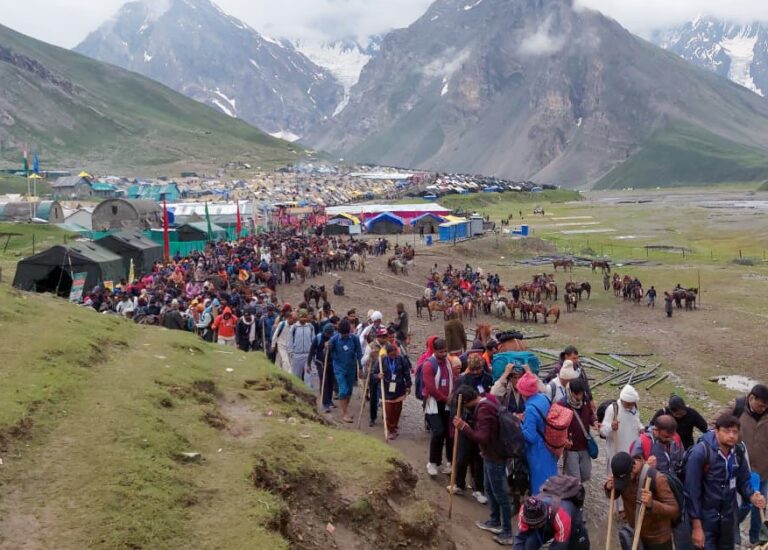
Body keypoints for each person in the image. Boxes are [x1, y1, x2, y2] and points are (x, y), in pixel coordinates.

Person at [685, 414, 767, 549]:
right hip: (706, 521)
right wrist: (696, 526)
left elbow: (743, 480)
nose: (731, 436)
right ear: (717, 431)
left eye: (735, 432)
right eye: (727, 431)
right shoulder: (700, 452)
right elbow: (691, 492)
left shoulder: (738, 452)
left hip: (728, 520)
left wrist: (752, 496)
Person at [451, 386, 514, 546]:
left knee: (500, 493)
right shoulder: (488, 398)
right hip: (489, 454)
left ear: (466, 402)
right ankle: (494, 520)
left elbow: (482, 437)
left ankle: (507, 531)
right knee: (489, 488)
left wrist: (464, 427)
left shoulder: (483, 410)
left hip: (495, 456)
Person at [716, 383, 768, 545]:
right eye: (760, 405)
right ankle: (730, 528)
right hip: (741, 469)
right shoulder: (737, 407)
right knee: (745, 504)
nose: (763, 409)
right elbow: (715, 425)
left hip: (764, 470)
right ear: (751, 398)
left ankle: (756, 540)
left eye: (766, 406)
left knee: (760, 505)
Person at [606, 452, 680, 550]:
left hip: (658, 538)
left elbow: (674, 510)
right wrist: (608, 488)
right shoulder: (621, 473)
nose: (624, 483)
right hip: (635, 533)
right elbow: (613, 495)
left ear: (633, 468)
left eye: (625, 479)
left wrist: (652, 504)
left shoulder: (657, 479)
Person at [451, 354, 492, 504]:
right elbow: (456, 402)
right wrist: (456, 419)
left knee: (479, 458)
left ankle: (478, 488)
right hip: (465, 422)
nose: (476, 372)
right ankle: (459, 484)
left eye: (479, 369)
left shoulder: (487, 378)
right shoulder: (462, 380)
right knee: (461, 457)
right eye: (473, 369)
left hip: (481, 423)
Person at [423, 338, 456, 476]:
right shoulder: (428, 365)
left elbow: (453, 379)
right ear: (434, 351)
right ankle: (433, 462)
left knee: (449, 433)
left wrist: (452, 395)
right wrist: (444, 398)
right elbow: (430, 387)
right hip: (433, 403)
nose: (444, 354)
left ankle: (450, 461)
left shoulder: (448, 362)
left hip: (447, 402)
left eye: (445, 351)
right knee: (438, 432)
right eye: (441, 352)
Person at [520, 371, 557, 495]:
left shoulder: (530, 409)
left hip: (537, 451)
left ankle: (541, 510)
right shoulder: (544, 398)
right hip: (550, 445)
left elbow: (530, 437)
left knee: (540, 486)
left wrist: (519, 424)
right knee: (552, 480)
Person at [514, 492, 589, 549]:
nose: (533, 527)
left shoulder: (561, 516)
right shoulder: (524, 512)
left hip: (572, 525)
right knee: (529, 545)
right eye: (531, 525)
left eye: (536, 525)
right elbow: (520, 538)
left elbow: (560, 545)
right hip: (548, 522)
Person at [372, 343, 411, 440]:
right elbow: (373, 373)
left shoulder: (401, 360)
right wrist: (378, 376)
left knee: (397, 410)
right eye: (392, 355)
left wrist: (408, 385)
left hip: (399, 389)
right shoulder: (381, 361)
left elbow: (406, 373)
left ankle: (394, 426)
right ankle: (391, 429)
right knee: (388, 411)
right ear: (387, 354)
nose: (394, 356)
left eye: (395, 354)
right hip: (386, 389)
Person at [600, 385, 644, 469]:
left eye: (632, 404)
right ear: (623, 400)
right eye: (628, 404)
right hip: (616, 452)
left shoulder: (634, 408)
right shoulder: (612, 409)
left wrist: (641, 428)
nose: (631, 406)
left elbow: (636, 421)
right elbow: (602, 431)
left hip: (631, 452)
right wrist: (611, 427)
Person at [562, 379, 598, 485]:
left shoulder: (585, 400)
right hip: (571, 448)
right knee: (575, 480)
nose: (579, 397)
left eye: (581, 394)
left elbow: (591, 414)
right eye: (576, 394)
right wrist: (563, 439)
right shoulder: (563, 404)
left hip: (584, 445)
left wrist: (595, 421)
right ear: (571, 392)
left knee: (586, 475)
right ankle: (575, 497)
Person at [328, 319, 363, 423]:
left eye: (347, 334)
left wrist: (360, 368)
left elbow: (359, 353)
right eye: (343, 334)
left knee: (349, 391)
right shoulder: (334, 339)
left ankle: (345, 409)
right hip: (339, 367)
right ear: (339, 332)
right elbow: (327, 352)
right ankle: (344, 413)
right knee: (343, 389)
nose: (345, 336)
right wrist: (328, 348)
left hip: (351, 368)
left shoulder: (355, 339)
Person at [308, 323, 335, 407]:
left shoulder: (333, 338)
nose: (327, 335)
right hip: (320, 362)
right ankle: (325, 402)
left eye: (329, 334)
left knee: (331, 382)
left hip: (331, 362)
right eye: (326, 334)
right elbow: (311, 351)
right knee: (324, 381)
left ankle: (329, 400)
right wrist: (308, 364)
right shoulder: (318, 338)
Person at [288, 309, 315, 382]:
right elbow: (290, 341)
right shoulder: (294, 327)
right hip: (297, 355)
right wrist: (291, 353)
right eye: (301, 317)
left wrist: (313, 354)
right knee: (296, 378)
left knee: (308, 378)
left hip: (308, 355)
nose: (303, 319)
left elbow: (313, 341)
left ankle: (308, 392)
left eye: (304, 317)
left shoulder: (310, 327)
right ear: (298, 317)